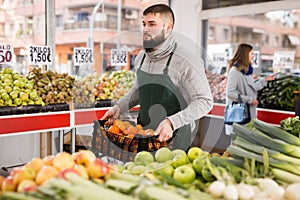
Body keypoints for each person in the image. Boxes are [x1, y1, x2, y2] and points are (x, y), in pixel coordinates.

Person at [101, 4, 213, 151]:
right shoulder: (141, 57)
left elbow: (205, 101)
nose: (146, 29)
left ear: (168, 27)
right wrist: (119, 107)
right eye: (144, 24)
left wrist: (172, 122)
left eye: (152, 24)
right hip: (142, 135)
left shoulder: (186, 61)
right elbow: (138, 90)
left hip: (175, 137)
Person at [225, 43, 275, 135]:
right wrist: (250, 100)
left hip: (247, 113)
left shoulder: (245, 71)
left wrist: (264, 80)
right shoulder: (235, 71)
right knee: (238, 143)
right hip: (239, 114)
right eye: (251, 53)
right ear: (245, 54)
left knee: (245, 142)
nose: (252, 56)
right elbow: (230, 93)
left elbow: (251, 87)